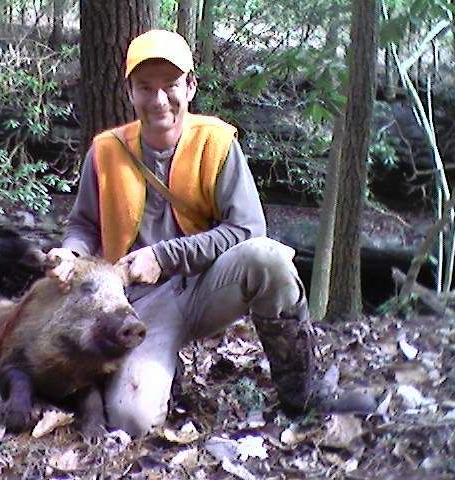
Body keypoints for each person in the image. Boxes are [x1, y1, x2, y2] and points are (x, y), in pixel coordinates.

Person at [46, 30, 326, 436]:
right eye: (146, 87)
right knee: (133, 420)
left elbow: (248, 228)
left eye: (171, 85)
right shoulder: (105, 151)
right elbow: (83, 225)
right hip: (137, 306)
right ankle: (164, 369)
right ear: (130, 92)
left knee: (268, 257)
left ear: (191, 86)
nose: (159, 99)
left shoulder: (216, 142)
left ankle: (301, 394)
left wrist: (164, 257)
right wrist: (71, 255)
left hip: (207, 286)